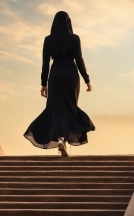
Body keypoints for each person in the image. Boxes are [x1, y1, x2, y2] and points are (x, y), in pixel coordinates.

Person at [23, 11, 95, 157]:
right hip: (71, 75)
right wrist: (87, 80)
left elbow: (45, 64)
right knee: (69, 107)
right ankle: (71, 133)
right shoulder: (75, 39)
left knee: (57, 109)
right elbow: (79, 60)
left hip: (55, 75)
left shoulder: (49, 40)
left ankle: (61, 138)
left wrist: (43, 83)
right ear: (69, 23)